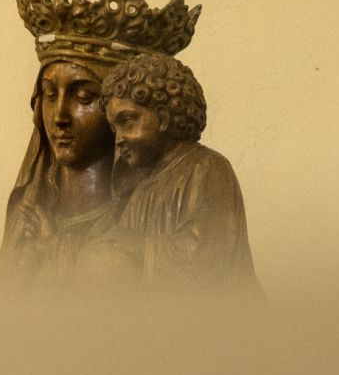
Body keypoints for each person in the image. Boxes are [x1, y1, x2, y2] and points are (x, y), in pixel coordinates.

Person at [0, 0, 203, 298]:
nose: (60, 117)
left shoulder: (161, 207)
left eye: (84, 97)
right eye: (50, 94)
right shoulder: (29, 223)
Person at [100, 51, 260, 294]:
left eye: (128, 122)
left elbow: (207, 258)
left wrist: (136, 249)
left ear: (163, 118)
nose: (119, 139)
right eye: (114, 129)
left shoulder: (206, 168)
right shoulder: (141, 190)